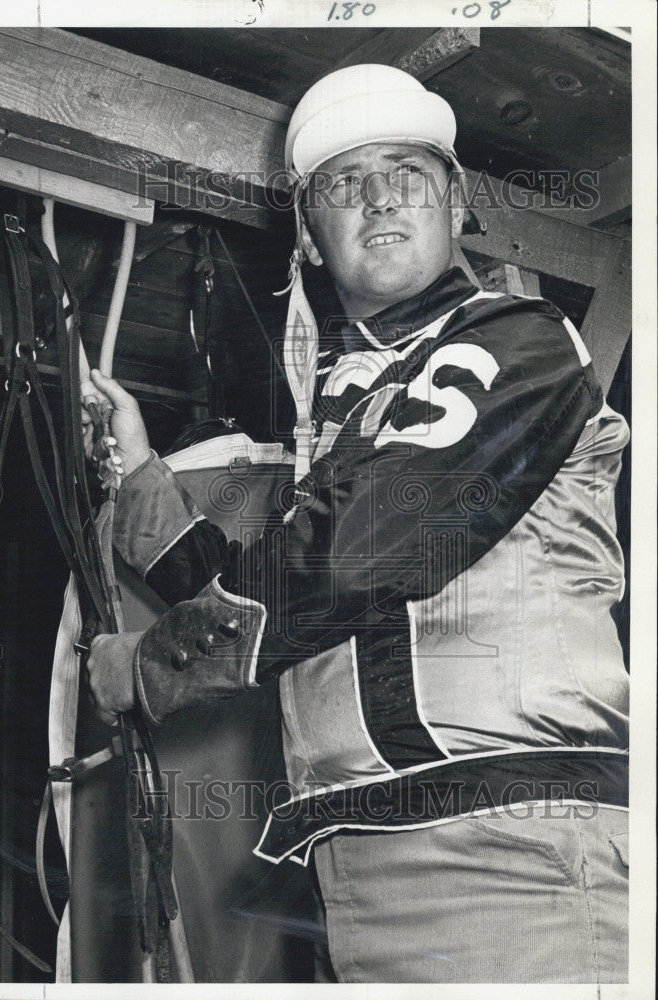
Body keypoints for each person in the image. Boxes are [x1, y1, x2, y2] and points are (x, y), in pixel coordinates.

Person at [84, 64, 629, 983]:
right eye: (342, 182)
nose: (376, 197)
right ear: (308, 231)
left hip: (505, 849)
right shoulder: (352, 413)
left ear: (457, 204)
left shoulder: (512, 340)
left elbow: (348, 561)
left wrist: (146, 669)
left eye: (406, 172)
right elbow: (272, 598)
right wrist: (140, 473)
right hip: (367, 851)